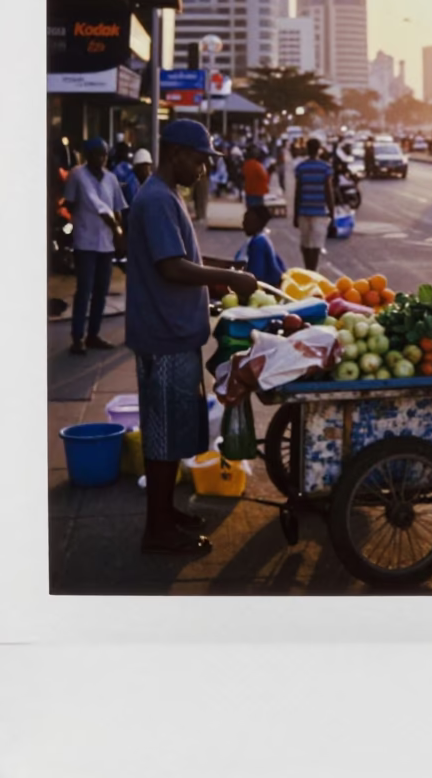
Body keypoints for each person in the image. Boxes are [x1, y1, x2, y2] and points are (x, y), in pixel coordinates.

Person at [125, 118, 257, 556]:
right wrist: (227, 278)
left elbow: (188, 256)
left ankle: (165, 513)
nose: (204, 169)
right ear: (177, 153)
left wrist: (229, 270)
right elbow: (172, 267)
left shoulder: (168, 197)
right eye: (200, 160)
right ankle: (157, 530)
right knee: (163, 441)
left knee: (175, 432)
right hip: (163, 336)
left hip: (175, 333)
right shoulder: (159, 199)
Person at [63, 137, 126, 355]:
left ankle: (93, 334)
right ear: (87, 156)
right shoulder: (77, 175)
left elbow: (117, 208)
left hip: (106, 243)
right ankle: (77, 337)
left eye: (104, 155)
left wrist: (119, 235)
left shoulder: (111, 178)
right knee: (84, 290)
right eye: (96, 154)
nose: (101, 158)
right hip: (85, 240)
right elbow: (69, 202)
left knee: (101, 291)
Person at [293, 137, 335, 272]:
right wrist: (332, 212)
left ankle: (307, 268)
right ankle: (313, 270)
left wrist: (295, 214)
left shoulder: (301, 168)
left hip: (303, 211)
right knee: (316, 245)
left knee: (305, 244)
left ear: (306, 149)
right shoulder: (325, 168)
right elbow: (329, 192)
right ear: (319, 150)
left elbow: (297, 193)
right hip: (319, 212)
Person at [234, 204, 286, 288]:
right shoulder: (260, 238)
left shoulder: (258, 242)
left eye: (247, 220)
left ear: (258, 223)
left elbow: (256, 276)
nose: (243, 224)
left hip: (268, 287)